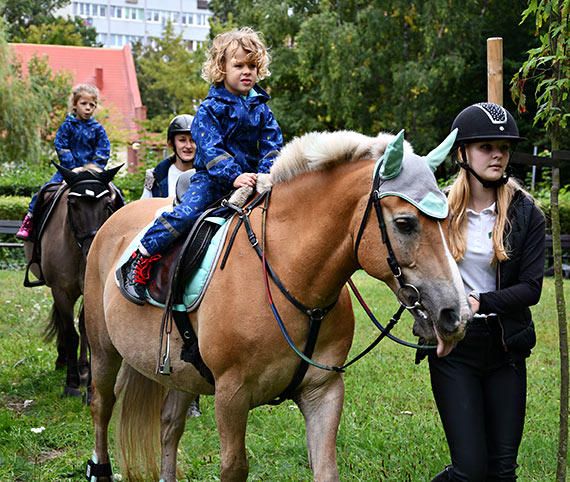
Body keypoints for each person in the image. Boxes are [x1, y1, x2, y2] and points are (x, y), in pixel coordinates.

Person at [117, 27, 283, 305]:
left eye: (253, 66)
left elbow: (273, 144)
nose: (247, 72)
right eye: (239, 65)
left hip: (254, 180)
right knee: (186, 214)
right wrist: (234, 175)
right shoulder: (209, 109)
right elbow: (210, 149)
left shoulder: (262, 108)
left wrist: (266, 173)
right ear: (221, 68)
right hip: (213, 180)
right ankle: (140, 258)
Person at [425, 102, 545, 482]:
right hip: (456, 348)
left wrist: (481, 302)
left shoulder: (527, 213)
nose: (497, 155)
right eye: (486, 146)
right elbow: (417, 278)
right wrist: (434, 324)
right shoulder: (437, 210)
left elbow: (531, 288)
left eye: (504, 148)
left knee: (502, 472)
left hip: (507, 348)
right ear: (462, 153)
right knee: (469, 471)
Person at [16, 83, 111, 240]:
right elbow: (61, 146)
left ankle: (118, 226)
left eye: (92, 105)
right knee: (44, 192)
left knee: (114, 194)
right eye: (84, 104)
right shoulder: (67, 126)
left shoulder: (98, 128)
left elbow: (103, 149)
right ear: (75, 105)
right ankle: (30, 220)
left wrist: (95, 167)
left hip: (92, 174)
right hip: (69, 172)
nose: (88, 108)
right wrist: (72, 167)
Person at [140, 114, 196, 199]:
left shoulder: (209, 174)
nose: (188, 146)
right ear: (171, 144)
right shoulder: (156, 177)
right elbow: (143, 208)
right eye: (182, 140)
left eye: (193, 140)